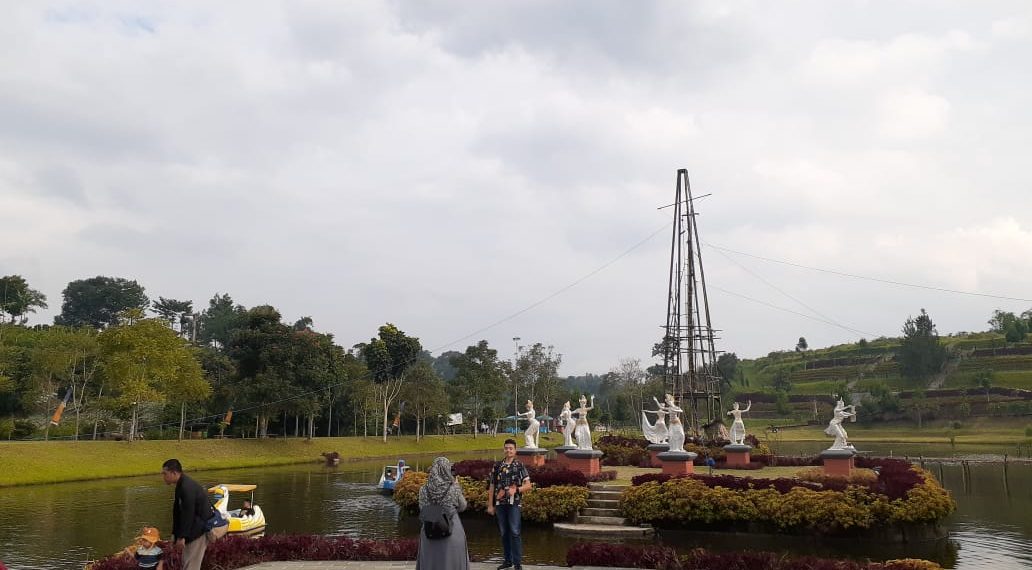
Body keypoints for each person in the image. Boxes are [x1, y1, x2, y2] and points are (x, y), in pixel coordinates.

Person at [415, 457, 469, 570]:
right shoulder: (453, 488)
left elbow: (422, 509)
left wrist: (434, 512)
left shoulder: (423, 489)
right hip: (451, 529)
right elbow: (463, 506)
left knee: (431, 561)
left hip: (429, 530)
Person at [487, 439, 531, 570]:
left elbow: (528, 485)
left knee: (515, 532)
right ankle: (507, 560)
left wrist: (516, 490)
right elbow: (492, 485)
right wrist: (490, 505)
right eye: (506, 448)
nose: (508, 450)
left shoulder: (519, 465)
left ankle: (517, 563)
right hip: (500, 504)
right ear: (503, 449)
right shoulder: (497, 466)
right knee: (504, 532)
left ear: (515, 450)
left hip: (514, 504)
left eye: (511, 448)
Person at [162, 458, 212, 570]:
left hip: (199, 530)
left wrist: (182, 537)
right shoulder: (180, 486)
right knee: (187, 563)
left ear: (174, 473)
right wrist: (175, 534)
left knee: (191, 565)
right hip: (191, 530)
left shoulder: (187, 487)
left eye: (165, 474)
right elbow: (177, 512)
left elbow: (188, 514)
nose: (163, 477)